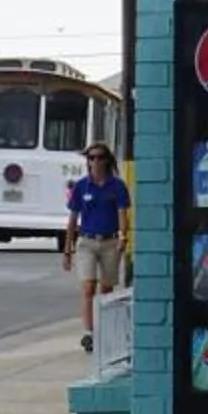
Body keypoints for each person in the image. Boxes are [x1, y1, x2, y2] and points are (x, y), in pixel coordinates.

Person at [62, 143, 131, 351]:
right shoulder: (82, 187)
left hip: (109, 241)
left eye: (100, 158)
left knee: (107, 288)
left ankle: (105, 329)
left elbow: (122, 213)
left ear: (107, 160)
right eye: (91, 158)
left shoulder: (116, 186)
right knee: (88, 286)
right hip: (87, 241)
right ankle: (89, 332)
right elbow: (73, 220)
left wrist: (122, 236)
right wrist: (67, 250)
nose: (95, 162)